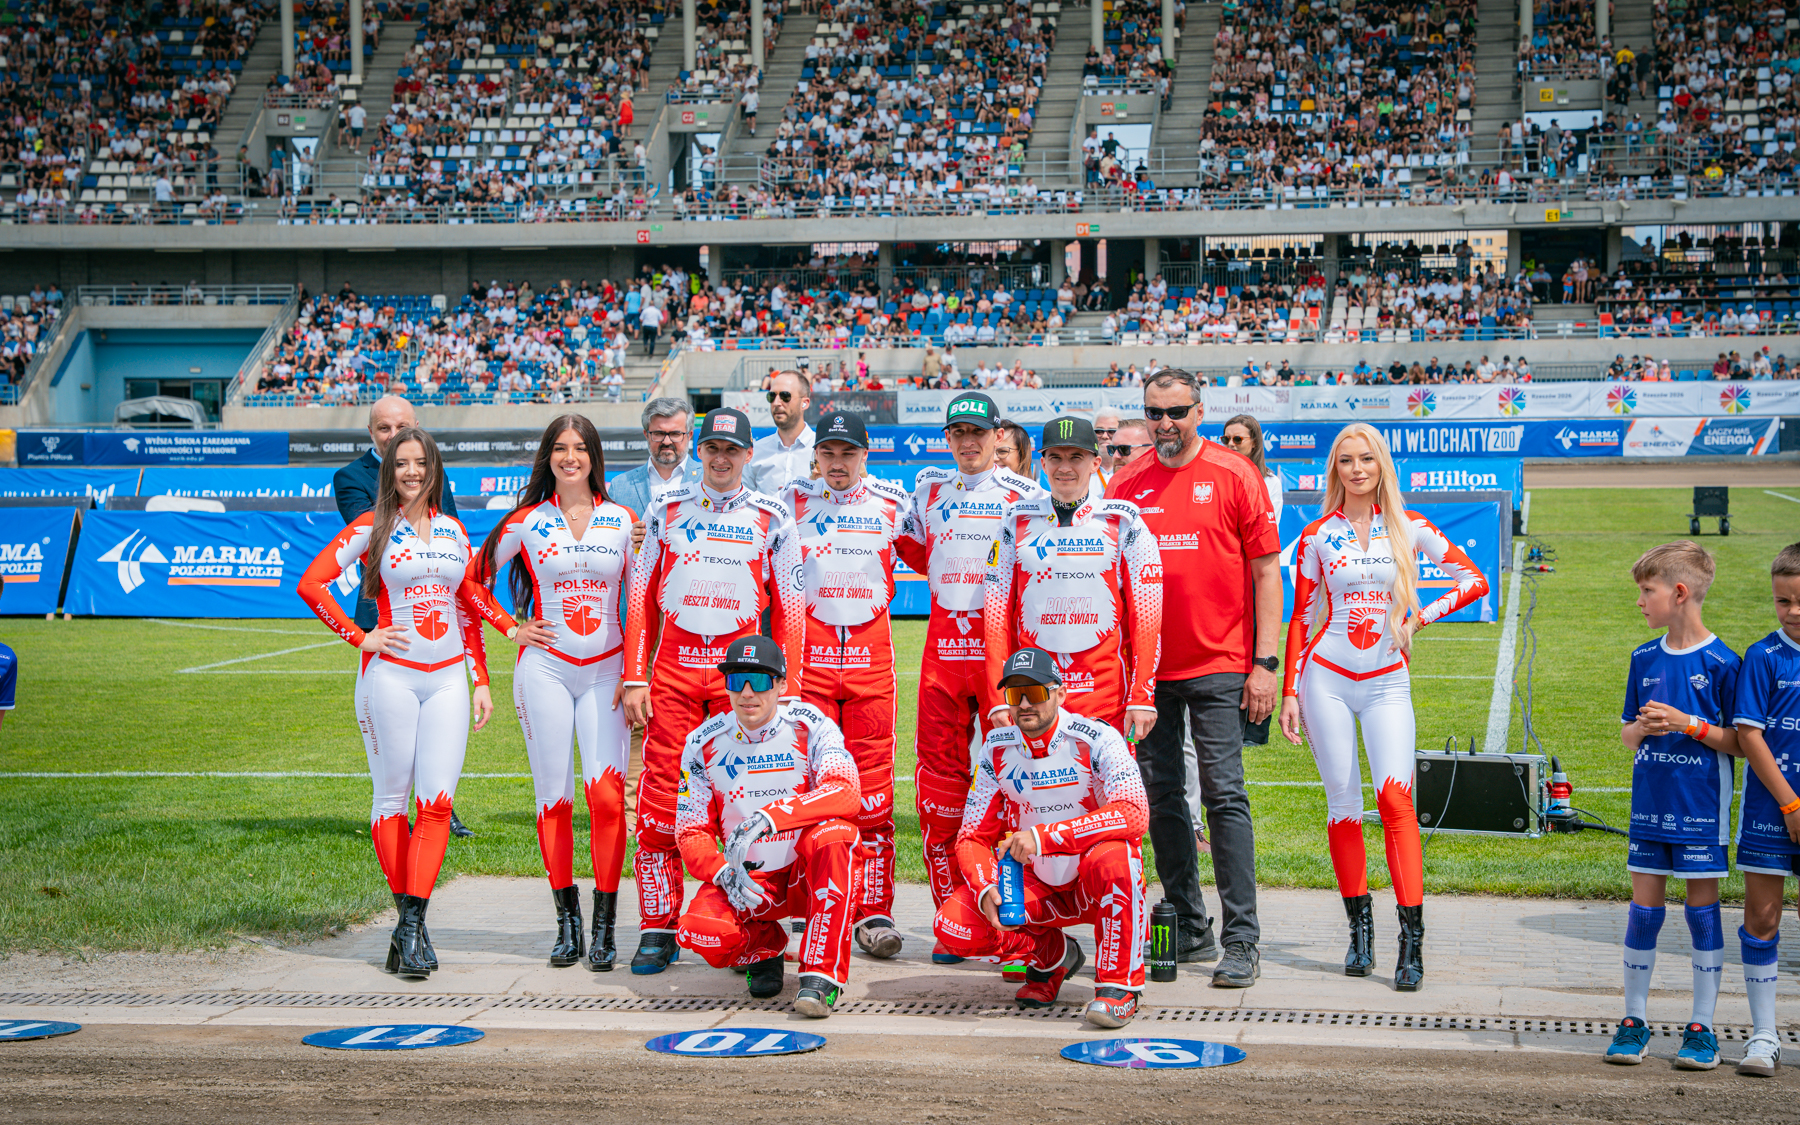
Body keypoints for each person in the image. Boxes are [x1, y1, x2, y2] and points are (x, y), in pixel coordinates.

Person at [1278, 423, 1489, 991]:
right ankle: (1360, 931)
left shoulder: (1409, 526)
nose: (1356, 469)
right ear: (1335, 469)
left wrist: (1418, 617)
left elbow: (1474, 581)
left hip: (1387, 681)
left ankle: (1411, 942)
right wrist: (1290, 691)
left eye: (1366, 459)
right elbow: (1301, 617)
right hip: (1326, 679)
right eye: (1346, 460)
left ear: (1381, 466)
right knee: (1343, 805)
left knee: (1396, 801)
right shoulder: (1317, 534)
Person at [297, 428, 496, 979]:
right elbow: (312, 584)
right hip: (391, 679)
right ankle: (412, 930)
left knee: (437, 804)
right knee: (392, 800)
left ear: (434, 469)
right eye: (402, 463)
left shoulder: (454, 529)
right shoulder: (371, 526)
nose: (412, 471)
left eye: (421, 462)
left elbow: (466, 605)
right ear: (389, 470)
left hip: (448, 681)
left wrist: (480, 678)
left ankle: (409, 927)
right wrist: (360, 637)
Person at [1105, 369, 1281, 988]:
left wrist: (1265, 665)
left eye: (1176, 412)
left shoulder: (1236, 474)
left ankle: (1242, 938)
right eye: (1154, 413)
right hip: (1149, 674)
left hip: (1220, 665)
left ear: (1199, 412)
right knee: (1161, 798)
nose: (1165, 423)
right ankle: (1188, 921)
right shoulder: (1126, 483)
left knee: (1224, 796)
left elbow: (1266, 574)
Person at [621, 408, 804, 974]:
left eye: (732, 449)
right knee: (660, 804)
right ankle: (657, 926)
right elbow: (640, 597)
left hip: (743, 685)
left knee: (749, 805)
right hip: (674, 677)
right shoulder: (664, 508)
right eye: (712, 448)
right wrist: (635, 675)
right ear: (698, 451)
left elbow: (791, 608)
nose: (721, 459)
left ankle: (755, 929)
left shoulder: (773, 516)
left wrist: (789, 689)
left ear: (748, 454)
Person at [472, 416, 637, 972]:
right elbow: (471, 582)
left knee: (607, 799)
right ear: (548, 456)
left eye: (580, 448)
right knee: (554, 797)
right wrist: (510, 626)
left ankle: (605, 924)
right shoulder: (525, 521)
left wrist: (635, 672)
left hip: (606, 672)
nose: (570, 457)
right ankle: (567, 922)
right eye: (561, 448)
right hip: (544, 670)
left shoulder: (623, 520)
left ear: (594, 456)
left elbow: (642, 600)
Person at [894, 392, 1043, 960]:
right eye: (958, 432)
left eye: (978, 432)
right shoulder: (928, 489)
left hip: (1003, 657)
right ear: (948, 438)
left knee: (1016, 785)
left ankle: (1019, 921)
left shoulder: (1025, 494)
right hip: (942, 653)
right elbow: (916, 551)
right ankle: (954, 915)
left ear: (997, 435)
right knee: (939, 791)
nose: (968, 442)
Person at [932, 646, 1151, 1029]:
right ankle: (1053, 956)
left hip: (1092, 878)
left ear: (1060, 693)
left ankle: (1119, 987)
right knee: (952, 925)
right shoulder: (995, 748)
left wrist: (1045, 836)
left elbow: (1134, 813)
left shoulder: (1099, 737)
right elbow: (970, 837)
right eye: (1015, 694)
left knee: (1119, 858)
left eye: (1034, 692)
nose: (1024, 705)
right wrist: (986, 889)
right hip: (1035, 880)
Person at [780, 412, 914, 959]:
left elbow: (943, 555)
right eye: (829, 452)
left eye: (848, 452)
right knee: (805, 788)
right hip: (807, 671)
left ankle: (874, 910)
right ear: (816, 455)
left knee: (874, 795)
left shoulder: (894, 503)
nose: (838, 463)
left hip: (871, 668)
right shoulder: (788, 501)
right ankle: (808, 899)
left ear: (866, 454)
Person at [1604, 541, 1741, 1069]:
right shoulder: (1643, 657)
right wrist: (1643, 727)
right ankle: (1633, 1021)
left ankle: (1702, 1028)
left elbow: (1740, 742)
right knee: (1644, 912)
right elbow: (1626, 735)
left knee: (1702, 913)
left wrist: (1689, 725)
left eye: (1647, 590)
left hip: (1701, 809)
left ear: (1679, 593)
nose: (1640, 601)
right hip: (1650, 807)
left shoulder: (1724, 663)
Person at [673, 635, 858, 1016]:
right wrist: (722, 872)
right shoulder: (701, 742)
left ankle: (820, 977)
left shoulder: (811, 726)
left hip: (803, 873)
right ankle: (763, 945)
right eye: (735, 680)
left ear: (781, 685)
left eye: (759, 680)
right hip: (747, 878)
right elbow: (690, 830)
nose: (746, 693)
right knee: (699, 930)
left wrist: (770, 817)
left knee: (836, 835)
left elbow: (845, 791)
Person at [331, 402, 471, 840]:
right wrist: (410, 481)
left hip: (437, 614)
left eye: (403, 427)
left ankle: (440, 808)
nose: (393, 435)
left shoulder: (435, 472)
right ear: (370, 432)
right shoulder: (350, 477)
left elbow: (447, 526)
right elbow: (372, 531)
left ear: (417, 428)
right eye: (384, 428)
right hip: (384, 615)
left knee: (439, 725)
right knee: (395, 729)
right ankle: (394, 809)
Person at [984, 416, 1161, 737]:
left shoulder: (1124, 522)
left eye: (1075, 457)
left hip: (1105, 690)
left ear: (1095, 463)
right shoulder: (1014, 521)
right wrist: (998, 699)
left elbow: (1147, 617)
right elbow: (996, 618)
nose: (1064, 467)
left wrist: (1142, 695)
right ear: (1043, 463)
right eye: (1055, 457)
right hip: (1033, 691)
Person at [1730, 542, 1800, 1077]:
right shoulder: (1763, 656)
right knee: (1762, 917)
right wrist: (1790, 803)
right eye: (1783, 601)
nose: (1792, 611)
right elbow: (1749, 737)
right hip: (1770, 810)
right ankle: (1763, 1034)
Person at [609, 397, 702, 518]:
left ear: (689, 436)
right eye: (659, 434)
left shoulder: (708, 480)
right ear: (646, 435)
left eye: (675, 434)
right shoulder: (619, 486)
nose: (667, 441)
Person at [747, 370, 814, 497]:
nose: (776, 403)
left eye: (785, 396)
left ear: (804, 403)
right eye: (772, 396)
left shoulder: (823, 450)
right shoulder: (756, 452)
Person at [1219, 414, 1283, 514]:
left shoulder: (1270, 482)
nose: (1231, 444)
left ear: (1254, 442)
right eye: (1226, 439)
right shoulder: (1216, 477)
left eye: (1237, 439)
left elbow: (1270, 522)